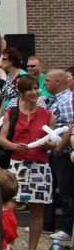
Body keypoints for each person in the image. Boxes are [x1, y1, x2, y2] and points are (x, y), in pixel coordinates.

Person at [0, 74, 59, 250]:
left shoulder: (48, 115)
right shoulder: (12, 112)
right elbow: (2, 139)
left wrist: (46, 145)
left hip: (40, 165)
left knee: (37, 209)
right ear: (21, 92)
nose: (34, 92)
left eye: (35, 88)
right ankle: (6, 245)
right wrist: (15, 146)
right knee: (10, 205)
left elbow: (54, 143)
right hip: (18, 164)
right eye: (30, 89)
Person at [46, 68, 74, 240]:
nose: (45, 83)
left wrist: (59, 148)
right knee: (52, 187)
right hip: (53, 151)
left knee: (66, 191)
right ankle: (48, 224)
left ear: (57, 82)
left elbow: (71, 127)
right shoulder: (55, 99)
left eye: (48, 80)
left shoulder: (66, 101)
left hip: (63, 154)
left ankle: (67, 229)